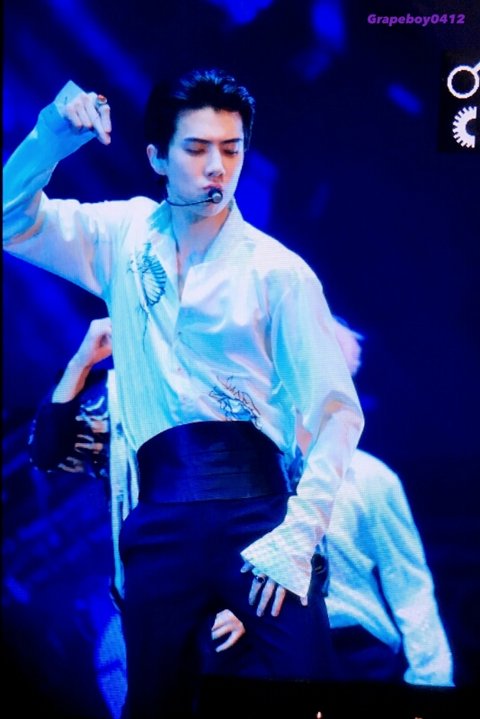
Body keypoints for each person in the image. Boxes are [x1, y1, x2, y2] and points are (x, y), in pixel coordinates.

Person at [3, 67, 364, 718]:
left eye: (231, 149)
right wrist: (54, 132)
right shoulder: (122, 235)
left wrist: (298, 534)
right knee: (153, 704)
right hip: (160, 517)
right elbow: (8, 216)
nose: (216, 167)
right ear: (158, 158)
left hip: (259, 512)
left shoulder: (279, 272)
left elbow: (337, 412)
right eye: (197, 149)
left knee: (310, 693)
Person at [28, 315, 246, 651]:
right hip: (155, 590)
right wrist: (81, 362)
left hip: (237, 583)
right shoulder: (109, 395)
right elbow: (46, 453)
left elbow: (278, 481)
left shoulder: (226, 378)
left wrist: (247, 594)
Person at [322, 318, 455, 686]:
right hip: (257, 652)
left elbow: (409, 585)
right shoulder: (242, 469)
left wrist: (431, 682)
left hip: (353, 655)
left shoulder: (370, 477)